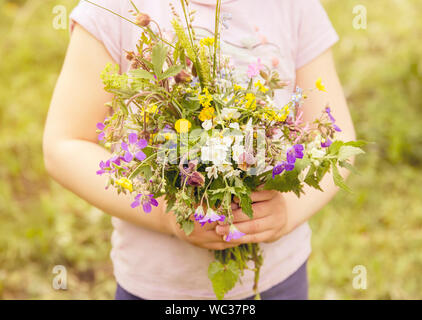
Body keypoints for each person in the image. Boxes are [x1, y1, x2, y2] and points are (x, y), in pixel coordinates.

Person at [43, 0, 356, 300]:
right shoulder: (116, 8)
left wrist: (286, 213)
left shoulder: (293, 5)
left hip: (277, 281)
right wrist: (168, 216)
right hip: (160, 287)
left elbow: (338, 144)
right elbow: (63, 146)